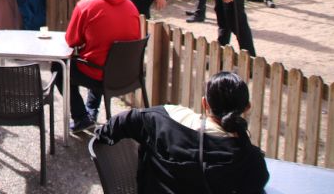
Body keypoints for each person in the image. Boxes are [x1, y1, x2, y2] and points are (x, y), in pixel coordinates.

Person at [95, 71, 269, 193]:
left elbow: (123, 121)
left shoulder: (164, 119)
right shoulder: (249, 159)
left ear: (204, 103)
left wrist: (102, 134)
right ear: (247, 108)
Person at [52, 0, 141, 132]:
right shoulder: (131, 6)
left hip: (100, 73)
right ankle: (91, 110)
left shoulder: (86, 6)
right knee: (102, 57)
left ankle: (80, 117)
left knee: (59, 67)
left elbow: (71, 41)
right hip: (128, 73)